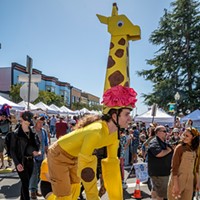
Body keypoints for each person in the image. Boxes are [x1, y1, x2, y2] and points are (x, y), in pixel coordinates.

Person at [47, 85, 137, 200]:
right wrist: (94, 198)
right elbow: (87, 170)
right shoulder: (96, 131)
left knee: (75, 188)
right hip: (58, 155)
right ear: (114, 115)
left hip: (75, 157)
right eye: (127, 114)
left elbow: (112, 165)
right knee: (64, 194)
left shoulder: (114, 135)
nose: (130, 119)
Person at [10, 111, 41, 200]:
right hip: (21, 161)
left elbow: (36, 145)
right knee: (25, 183)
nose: (29, 122)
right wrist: (17, 163)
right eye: (27, 120)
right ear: (22, 120)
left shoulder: (32, 132)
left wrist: (35, 151)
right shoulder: (16, 134)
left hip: (30, 161)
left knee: (25, 183)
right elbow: (12, 150)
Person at [167, 127, 199, 200]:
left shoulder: (195, 149)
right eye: (184, 135)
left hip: (190, 180)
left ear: (193, 137)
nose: (184, 137)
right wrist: (175, 185)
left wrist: (197, 182)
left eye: (187, 136)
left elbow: (196, 167)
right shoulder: (179, 148)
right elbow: (174, 168)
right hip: (178, 179)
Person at [147, 125, 173, 200]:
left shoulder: (162, 142)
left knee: (156, 192)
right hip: (160, 174)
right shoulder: (154, 142)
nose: (166, 133)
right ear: (158, 132)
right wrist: (168, 150)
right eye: (164, 131)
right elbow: (158, 154)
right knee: (161, 195)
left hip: (161, 173)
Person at [29, 116, 49, 199]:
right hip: (32, 156)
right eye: (40, 122)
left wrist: (47, 154)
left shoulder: (43, 131)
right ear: (36, 122)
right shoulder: (30, 130)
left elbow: (45, 143)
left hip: (41, 156)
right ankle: (33, 191)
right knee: (34, 173)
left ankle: (35, 189)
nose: (41, 124)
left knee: (39, 174)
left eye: (42, 123)